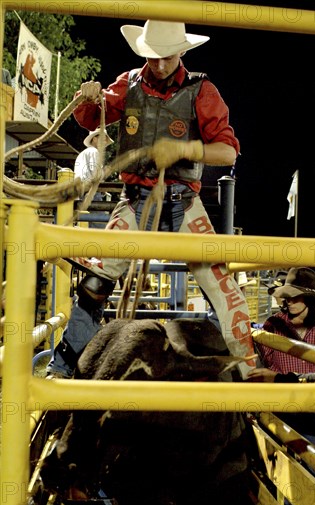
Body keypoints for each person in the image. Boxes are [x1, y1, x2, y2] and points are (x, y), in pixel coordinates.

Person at [46, 20, 256, 379]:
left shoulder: (201, 90)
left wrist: (185, 148)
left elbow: (228, 153)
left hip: (183, 202)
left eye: (166, 57)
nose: (158, 65)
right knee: (96, 283)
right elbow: (89, 117)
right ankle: (61, 368)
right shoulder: (128, 84)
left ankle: (249, 373)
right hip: (135, 198)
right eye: (152, 57)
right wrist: (89, 97)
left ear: (182, 52)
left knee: (223, 291)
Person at [247, 267, 315, 453]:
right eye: (287, 296)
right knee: (279, 463)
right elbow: (266, 364)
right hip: (281, 403)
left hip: (314, 404)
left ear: (309, 298)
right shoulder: (273, 323)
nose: (289, 301)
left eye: (295, 296)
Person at [74, 128, 114, 228]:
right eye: (103, 139)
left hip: (80, 192)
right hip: (91, 192)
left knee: (87, 222)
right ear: (95, 139)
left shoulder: (83, 154)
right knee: (99, 225)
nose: (105, 142)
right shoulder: (94, 152)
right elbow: (95, 174)